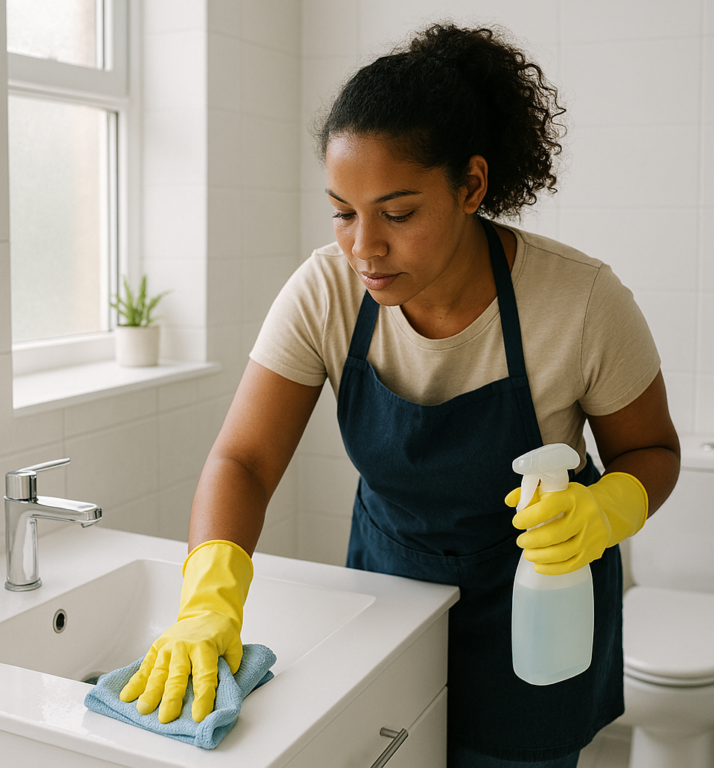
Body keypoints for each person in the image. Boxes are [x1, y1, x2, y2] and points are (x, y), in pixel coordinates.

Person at [119, 23, 680, 767]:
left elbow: (652, 449)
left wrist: (606, 509)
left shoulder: (580, 302)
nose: (363, 248)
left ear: (471, 186)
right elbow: (245, 459)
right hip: (387, 595)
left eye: (399, 213)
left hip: (534, 609)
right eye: (343, 212)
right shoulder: (325, 289)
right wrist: (209, 596)